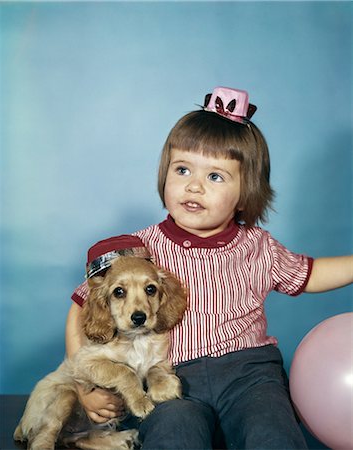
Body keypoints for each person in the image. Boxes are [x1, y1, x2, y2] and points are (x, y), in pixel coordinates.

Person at [66, 86, 353, 449]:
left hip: (249, 374)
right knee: (172, 435)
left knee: (272, 431)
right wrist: (86, 387)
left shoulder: (257, 246)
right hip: (170, 376)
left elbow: (309, 274)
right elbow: (81, 306)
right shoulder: (138, 250)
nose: (194, 186)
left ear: (245, 193)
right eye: (182, 169)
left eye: (215, 177)